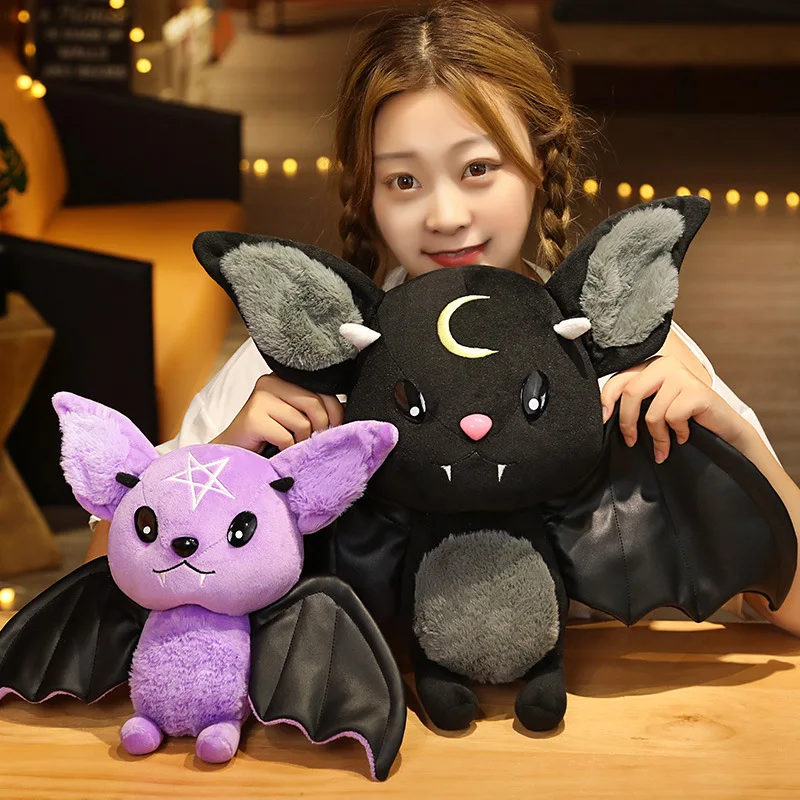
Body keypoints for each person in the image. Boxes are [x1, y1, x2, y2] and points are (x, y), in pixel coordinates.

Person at [85, 0, 800, 634]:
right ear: (366, 194)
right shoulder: (296, 369)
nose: (446, 215)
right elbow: (96, 589)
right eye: (404, 180)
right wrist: (226, 458)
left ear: (540, 164)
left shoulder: (632, 355)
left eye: (478, 169)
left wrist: (734, 436)